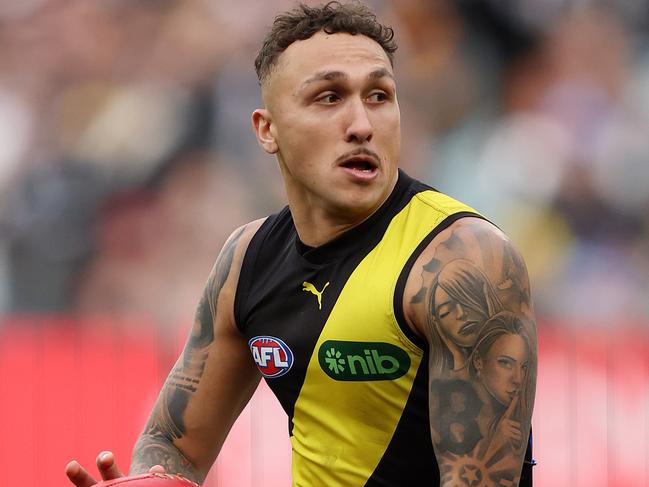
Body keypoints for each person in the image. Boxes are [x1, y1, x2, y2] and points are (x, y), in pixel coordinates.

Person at [66, 2, 537, 486]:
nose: (361, 124)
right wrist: (152, 481)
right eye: (329, 97)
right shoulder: (247, 261)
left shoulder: (461, 262)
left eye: (379, 95)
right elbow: (172, 445)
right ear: (267, 130)